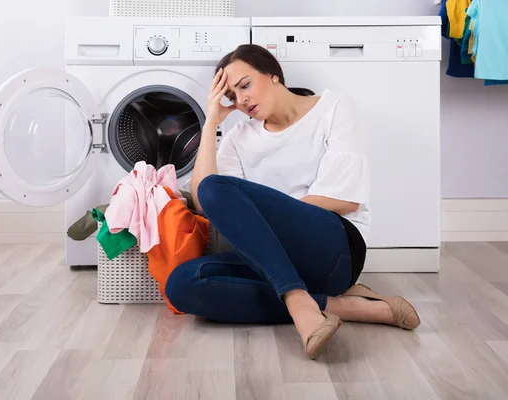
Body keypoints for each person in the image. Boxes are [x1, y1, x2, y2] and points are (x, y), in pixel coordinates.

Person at [164, 44, 420, 360]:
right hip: (272, 259)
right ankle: (342, 306)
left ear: (273, 74)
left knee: (219, 188)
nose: (241, 100)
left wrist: (259, 214)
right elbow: (204, 201)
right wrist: (212, 122)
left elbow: (343, 199)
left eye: (245, 85)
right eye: (232, 96)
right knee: (181, 285)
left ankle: (298, 299)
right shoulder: (239, 138)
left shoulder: (334, 108)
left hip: (335, 252)